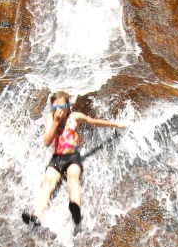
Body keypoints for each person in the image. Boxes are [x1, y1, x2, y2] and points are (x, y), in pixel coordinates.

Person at [22, 91, 127, 228]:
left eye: (62, 106)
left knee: (73, 177)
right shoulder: (50, 118)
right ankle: (36, 216)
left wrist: (116, 124)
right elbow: (47, 142)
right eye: (55, 108)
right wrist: (55, 122)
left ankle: (75, 208)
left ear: (68, 106)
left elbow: (93, 122)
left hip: (73, 157)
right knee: (49, 181)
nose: (59, 110)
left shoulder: (74, 118)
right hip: (57, 158)